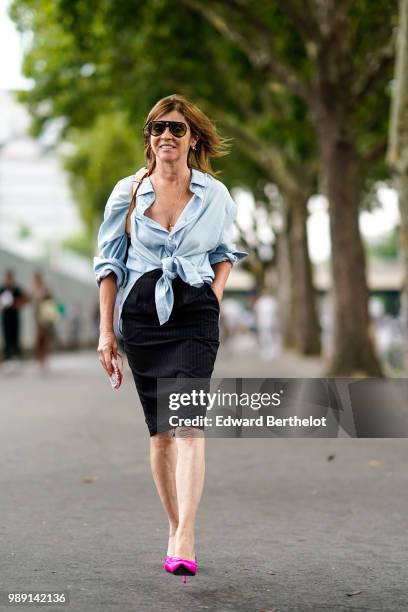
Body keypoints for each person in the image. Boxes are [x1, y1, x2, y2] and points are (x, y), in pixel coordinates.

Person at [94, 94, 248, 582]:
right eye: (158, 127)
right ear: (149, 138)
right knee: (161, 437)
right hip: (142, 314)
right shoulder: (128, 192)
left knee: (187, 425)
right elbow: (108, 265)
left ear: (193, 138)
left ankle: (186, 538)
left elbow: (225, 251)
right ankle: (173, 525)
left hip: (194, 313)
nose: (166, 135)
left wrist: (216, 295)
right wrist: (105, 333)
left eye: (177, 129)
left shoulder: (215, 195)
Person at [0, 270, 29, 369]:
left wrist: (17, 304)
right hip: (6, 317)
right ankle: (7, 358)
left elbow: (25, 299)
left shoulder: (16, 289)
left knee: (15, 337)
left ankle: (17, 357)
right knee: (7, 337)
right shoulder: (2, 289)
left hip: (14, 317)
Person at [31, 272, 59, 372]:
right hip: (37, 319)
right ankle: (40, 359)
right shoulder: (33, 289)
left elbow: (51, 299)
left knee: (45, 338)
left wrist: (44, 294)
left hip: (45, 318)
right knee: (39, 340)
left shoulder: (45, 289)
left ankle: (45, 359)